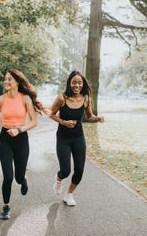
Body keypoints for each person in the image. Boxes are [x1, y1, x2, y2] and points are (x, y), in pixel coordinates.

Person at [0, 69, 48, 220]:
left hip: (21, 139)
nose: (6, 81)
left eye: (10, 79)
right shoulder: (0, 100)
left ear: (17, 82)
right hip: (5, 139)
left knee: (18, 177)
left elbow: (34, 121)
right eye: (5, 79)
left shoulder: (26, 99)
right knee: (8, 176)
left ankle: (23, 179)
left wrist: (19, 130)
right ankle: (6, 206)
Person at [49, 70, 104, 206]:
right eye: (74, 82)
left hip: (78, 137)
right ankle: (58, 177)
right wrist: (63, 122)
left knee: (79, 170)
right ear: (70, 83)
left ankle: (69, 195)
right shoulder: (62, 98)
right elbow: (51, 114)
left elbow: (89, 116)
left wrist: (97, 118)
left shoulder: (86, 98)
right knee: (66, 170)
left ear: (82, 84)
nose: (77, 85)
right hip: (63, 138)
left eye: (79, 83)